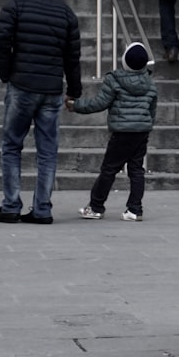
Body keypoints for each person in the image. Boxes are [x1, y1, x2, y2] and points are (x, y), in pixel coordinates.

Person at [0, 0, 81, 225]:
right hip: (52, 89)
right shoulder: (66, 13)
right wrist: (73, 90)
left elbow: (1, 40)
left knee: (11, 146)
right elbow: (72, 58)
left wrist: (7, 73)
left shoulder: (15, 6)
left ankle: (11, 205)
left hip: (22, 86)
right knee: (48, 151)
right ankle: (42, 208)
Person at [69, 42, 157, 222]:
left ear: (125, 61)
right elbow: (152, 109)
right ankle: (135, 209)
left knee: (109, 169)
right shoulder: (150, 82)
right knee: (137, 170)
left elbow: (99, 103)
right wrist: (145, 124)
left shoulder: (115, 80)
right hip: (141, 132)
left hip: (122, 132)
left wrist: (76, 105)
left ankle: (95, 206)